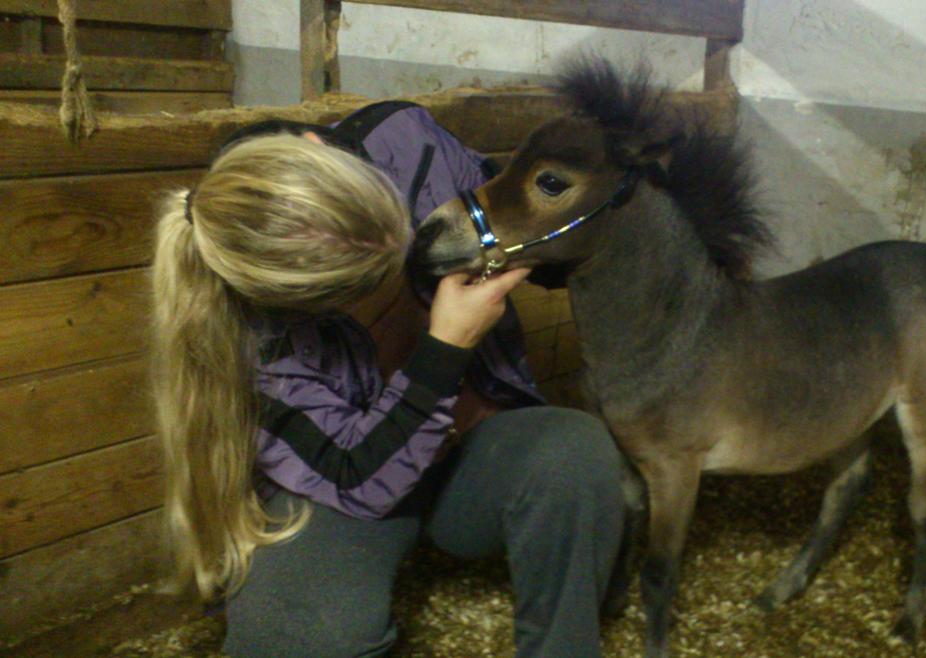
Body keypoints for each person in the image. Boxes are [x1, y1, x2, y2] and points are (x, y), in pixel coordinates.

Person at [149, 120, 625, 658]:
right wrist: (447, 346)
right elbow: (356, 477)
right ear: (306, 302)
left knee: (572, 450)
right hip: (346, 490)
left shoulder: (405, 140)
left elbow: (534, 208)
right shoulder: (240, 330)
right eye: (372, 280)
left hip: (463, 451)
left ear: (323, 150)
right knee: (293, 639)